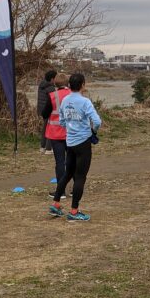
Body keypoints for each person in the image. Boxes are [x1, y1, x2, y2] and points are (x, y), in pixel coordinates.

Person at [49, 73, 102, 222]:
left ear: (70, 85)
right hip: (83, 143)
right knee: (80, 177)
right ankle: (74, 211)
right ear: (83, 85)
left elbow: (62, 120)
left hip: (70, 142)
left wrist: (70, 129)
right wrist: (93, 131)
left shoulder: (65, 100)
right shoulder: (85, 102)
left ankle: (56, 204)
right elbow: (97, 121)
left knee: (67, 174)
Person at [40, 72, 71, 196]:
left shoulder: (52, 96)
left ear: (55, 83)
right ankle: (75, 189)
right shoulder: (73, 95)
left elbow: (44, 114)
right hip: (71, 133)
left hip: (56, 133)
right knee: (72, 161)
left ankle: (61, 191)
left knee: (60, 162)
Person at [37, 69, 57, 153]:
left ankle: (43, 147)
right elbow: (54, 100)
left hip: (41, 109)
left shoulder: (42, 85)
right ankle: (49, 148)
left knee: (45, 128)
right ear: (52, 79)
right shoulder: (51, 88)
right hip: (48, 110)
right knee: (50, 128)